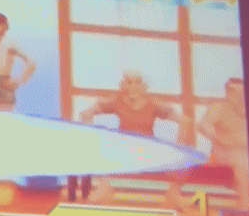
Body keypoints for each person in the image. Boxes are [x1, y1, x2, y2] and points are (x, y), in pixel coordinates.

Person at [69, 70, 191, 208]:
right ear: (123, 85)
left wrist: (178, 147)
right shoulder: (117, 101)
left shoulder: (153, 103)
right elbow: (85, 114)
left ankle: (174, 194)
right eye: (129, 82)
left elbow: (185, 121)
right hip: (124, 151)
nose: (133, 86)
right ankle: (103, 189)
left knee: (180, 160)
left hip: (148, 152)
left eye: (137, 82)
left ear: (143, 86)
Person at [197, 77, 249, 211]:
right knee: (242, 161)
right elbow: (203, 125)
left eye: (240, 90)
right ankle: (246, 205)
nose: (235, 94)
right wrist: (219, 137)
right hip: (225, 152)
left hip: (245, 152)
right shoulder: (219, 108)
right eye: (231, 90)